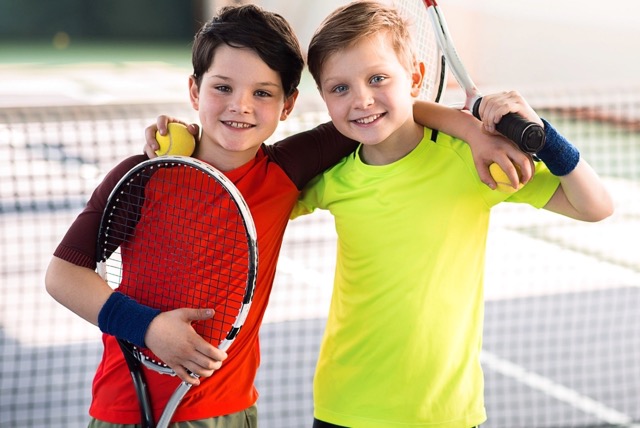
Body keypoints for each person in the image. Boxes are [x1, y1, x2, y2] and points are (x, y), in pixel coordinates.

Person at [46, 4, 532, 428]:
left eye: (263, 93)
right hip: (121, 407)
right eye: (222, 87)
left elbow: (394, 109)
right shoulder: (143, 174)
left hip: (230, 411)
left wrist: (472, 132)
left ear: (288, 105)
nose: (240, 105)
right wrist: (149, 329)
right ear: (195, 91)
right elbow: (62, 275)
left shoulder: (286, 171)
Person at [287, 1, 614, 427]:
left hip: (448, 414)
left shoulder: (473, 161)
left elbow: (596, 206)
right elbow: (251, 201)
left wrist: (544, 135)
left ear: (416, 78)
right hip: (346, 409)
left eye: (378, 78)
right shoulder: (331, 178)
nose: (361, 99)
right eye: (339, 88)